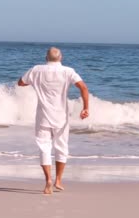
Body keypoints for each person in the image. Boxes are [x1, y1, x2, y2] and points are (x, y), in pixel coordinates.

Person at [18, 47, 89, 194]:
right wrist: (85, 108)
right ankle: (58, 180)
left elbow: (21, 83)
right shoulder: (68, 71)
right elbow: (83, 87)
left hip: (43, 116)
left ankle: (48, 181)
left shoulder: (36, 70)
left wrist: (34, 81)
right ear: (61, 57)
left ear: (46, 57)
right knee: (61, 147)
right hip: (61, 116)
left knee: (44, 147)